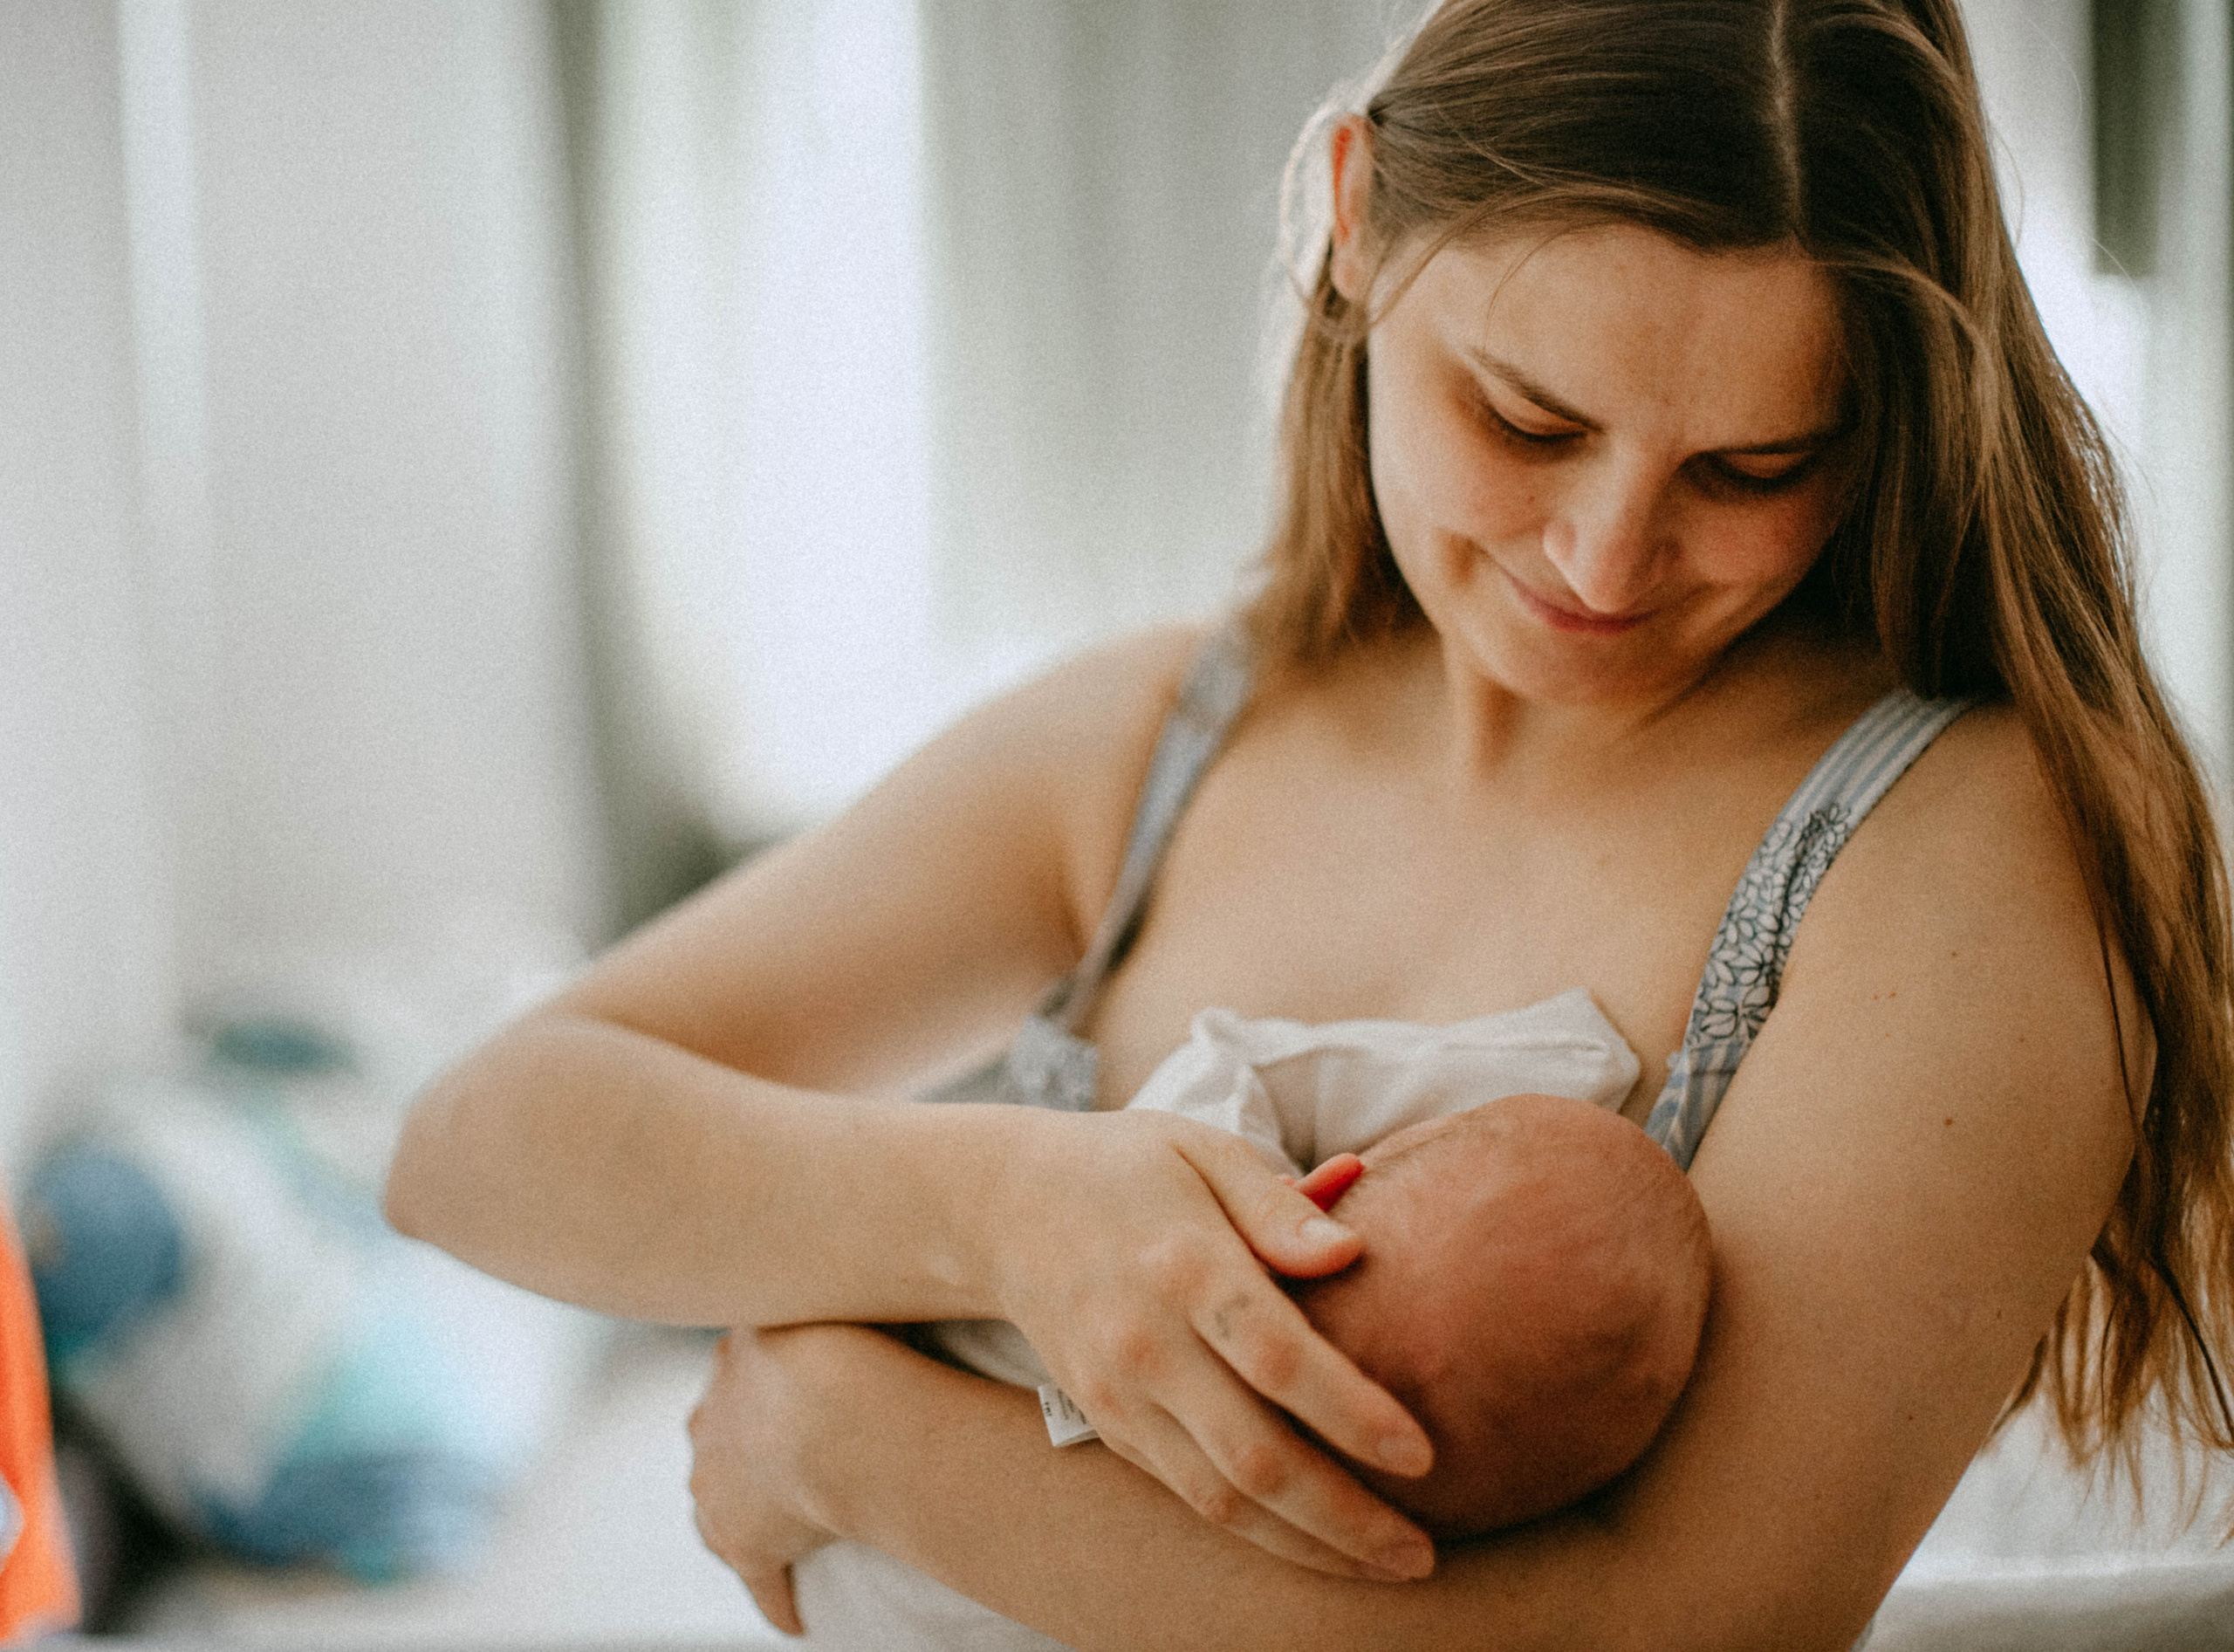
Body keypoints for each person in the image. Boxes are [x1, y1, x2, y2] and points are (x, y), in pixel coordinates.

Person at [384, 1, 2234, 1647]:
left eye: (1751, 469)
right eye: (1521, 418)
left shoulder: (1966, 834)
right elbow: (477, 1140)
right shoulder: (1159, 736)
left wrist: (847, 1436)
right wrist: (1012, 1214)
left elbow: (1688, 1626)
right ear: (1356, 222)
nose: (1599, 557)